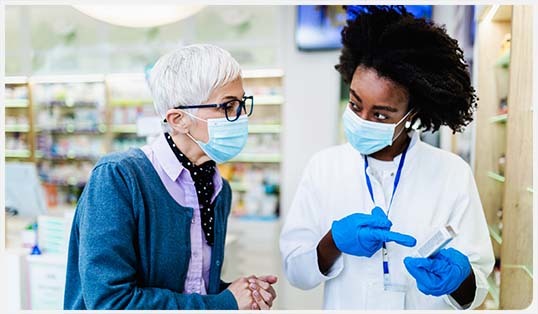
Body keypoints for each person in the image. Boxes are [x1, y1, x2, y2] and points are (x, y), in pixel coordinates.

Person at [280, 6, 494, 310]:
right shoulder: (324, 168)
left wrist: (460, 279)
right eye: (355, 105)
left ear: (412, 114)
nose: (363, 120)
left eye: (380, 114)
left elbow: (477, 286)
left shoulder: (451, 173)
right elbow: (296, 272)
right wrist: (333, 243)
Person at [64, 44, 277, 310]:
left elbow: (189, 287)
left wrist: (243, 292)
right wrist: (222, 303)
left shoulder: (219, 189)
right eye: (228, 106)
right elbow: (110, 302)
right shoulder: (119, 178)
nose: (241, 116)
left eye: (242, 103)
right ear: (178, 119)